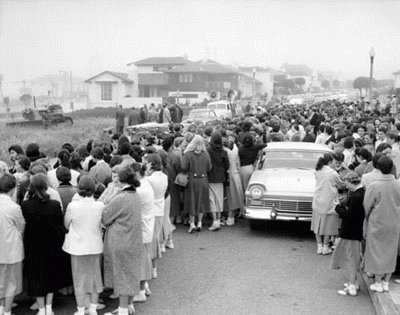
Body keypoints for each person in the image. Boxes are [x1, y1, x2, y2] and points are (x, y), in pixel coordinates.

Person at [22, 173, 71, 315]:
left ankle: (41, 308)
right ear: (46, 186)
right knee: (51, 276)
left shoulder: (26, 205)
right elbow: (59, 225)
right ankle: (49, 308)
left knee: (36, 277)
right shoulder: (54, 205)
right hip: (51, 245)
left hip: (33, 246)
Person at [102, 166, 143, 315]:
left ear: (121, 179)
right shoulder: (135, 195)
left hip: (120, 239)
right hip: (134, 238)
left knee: (122, 275)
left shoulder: (120, 198)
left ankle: (123, 309)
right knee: (131, 272)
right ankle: (129, 305)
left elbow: (105, 217)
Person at [63, 175, 104, 315]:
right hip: (95, 245)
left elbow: (66, 224)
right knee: (94, 278)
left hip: (77, 247)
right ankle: (93, 308)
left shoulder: (73, 206)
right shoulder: (100, 205)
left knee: (79, 280)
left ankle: (80, 310)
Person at [363, 156, 400, 293]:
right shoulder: (398, 184)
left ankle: (378, 282)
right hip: (395, 221)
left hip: (378, 220)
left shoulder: (374, 185)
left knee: (376, 250)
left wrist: (367, 217)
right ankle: (386, 282)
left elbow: (367, 205)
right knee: (391, 251)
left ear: (377, 167)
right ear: (391, 168)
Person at [331, 172, 365, 296]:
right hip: (355, 231)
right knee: (353, 258)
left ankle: (352, 286)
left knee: (351, 259)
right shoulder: (360, 193)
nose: (346, 187)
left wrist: (337, 207)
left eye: (347, 184)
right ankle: (353, 283)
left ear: (351, 182)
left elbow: (349, 216)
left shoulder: (356, 197)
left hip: (351, 231)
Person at [0, 174, 25, 315]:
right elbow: (21, 227)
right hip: (11, 249)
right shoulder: (14, 207)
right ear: (13, 188)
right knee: (10, 283)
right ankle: (7, 311)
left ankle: (1, 308)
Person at [311, 153, 342, 255]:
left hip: (318, 199)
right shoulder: (332, 173)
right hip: (329, 200)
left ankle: (319, 246)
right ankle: (325, 247)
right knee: (328, 226)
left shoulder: (317, 171)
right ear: (329, 162)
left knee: (317, 225)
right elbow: (340, 184)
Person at [181, 135, 211, 233]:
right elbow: (209, 167)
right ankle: (200, 223)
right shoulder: (206, 154)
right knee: (201, 201)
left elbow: (184, 167)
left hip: (192, 180)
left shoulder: (188, 154)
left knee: (192, 202)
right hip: (203, 179)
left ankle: (192, 223)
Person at [145, 154, 168, 279]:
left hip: (151, 211)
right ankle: (153, 268)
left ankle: (151, 268)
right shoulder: (164, 177)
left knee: (150, 242)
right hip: (160, 209)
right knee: (156, 238)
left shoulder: (149, 180)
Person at [207, 133, 230, 231]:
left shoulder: (208, 151)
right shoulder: (224, 152)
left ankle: (215, 221)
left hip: (211, 176)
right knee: (219, 199)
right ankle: (218, 220)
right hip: (221, 177)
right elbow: (227, 165)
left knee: (212, 199)